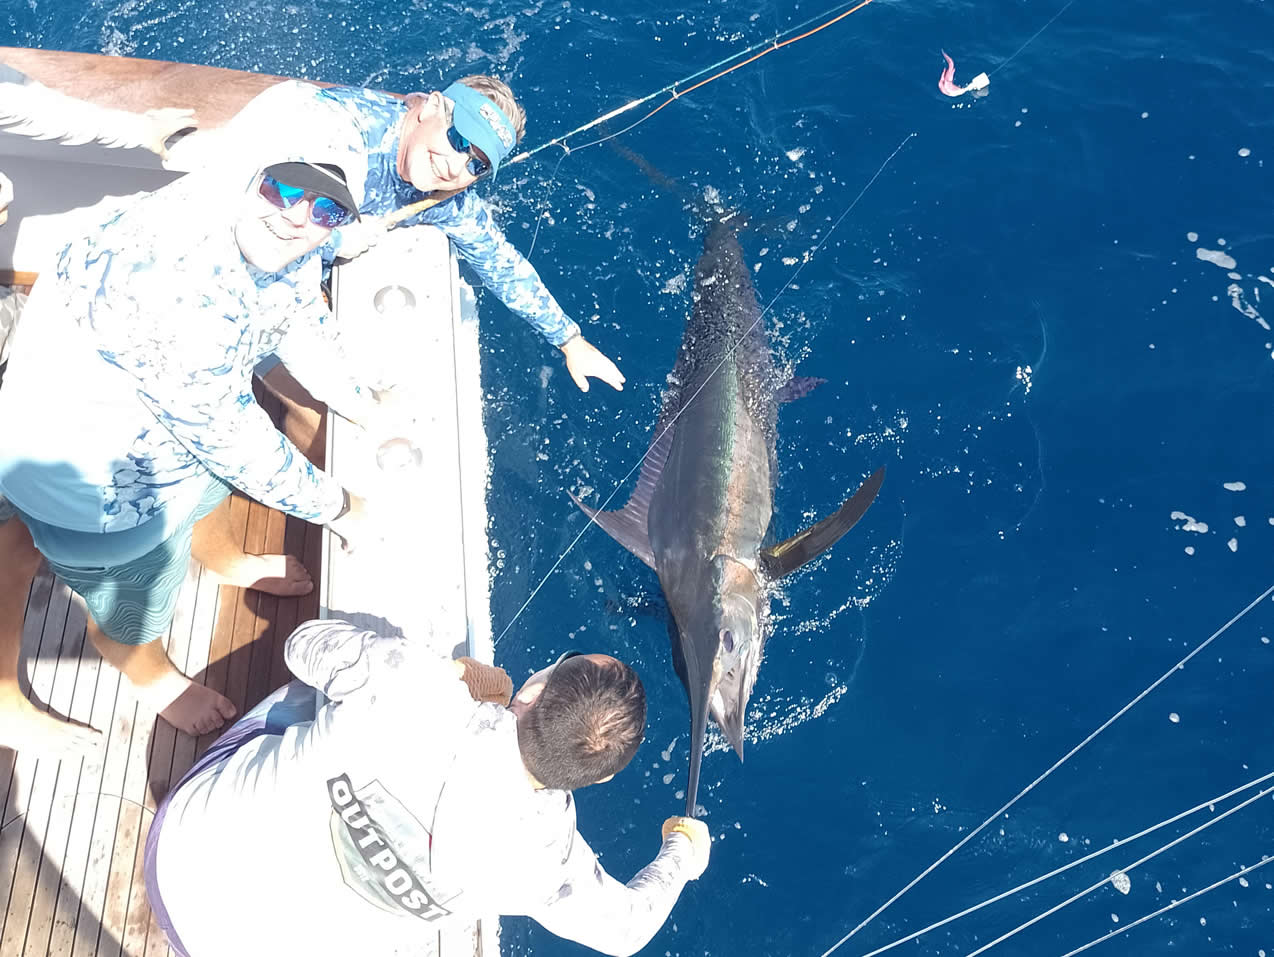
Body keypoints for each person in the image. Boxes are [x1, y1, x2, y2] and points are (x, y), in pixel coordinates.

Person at [0, 157, 389, 751]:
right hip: (101, 501)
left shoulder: (267, 234)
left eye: (325, 209)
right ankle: (153, 678)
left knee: (208, 495)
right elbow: (236, 443)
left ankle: (227, 560)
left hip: (160, 445)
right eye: (283, 189)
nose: (294, 217)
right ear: (253, 178)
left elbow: (299, 314)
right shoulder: (179, 294)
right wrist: (343, 510)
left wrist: (361, 401)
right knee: (128, 609)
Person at [144, 620, 710, 956]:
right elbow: (629, 931)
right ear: (602, 776)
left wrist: (445, 671)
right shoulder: (550, 867)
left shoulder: (409, 681)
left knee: (309, 703)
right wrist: (682, 853)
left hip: (175, 854)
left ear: (534, 692)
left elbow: (303, 645)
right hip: (218, 948)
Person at [205, 74, 626, 394]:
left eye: (476, 165)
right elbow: (247, 201)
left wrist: (570, 339)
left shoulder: (449, 199)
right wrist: (337, 239)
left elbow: (503, 265)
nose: (456, 167)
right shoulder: (347, 131)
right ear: (431, 109)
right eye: (459, 140)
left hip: (288, 285)